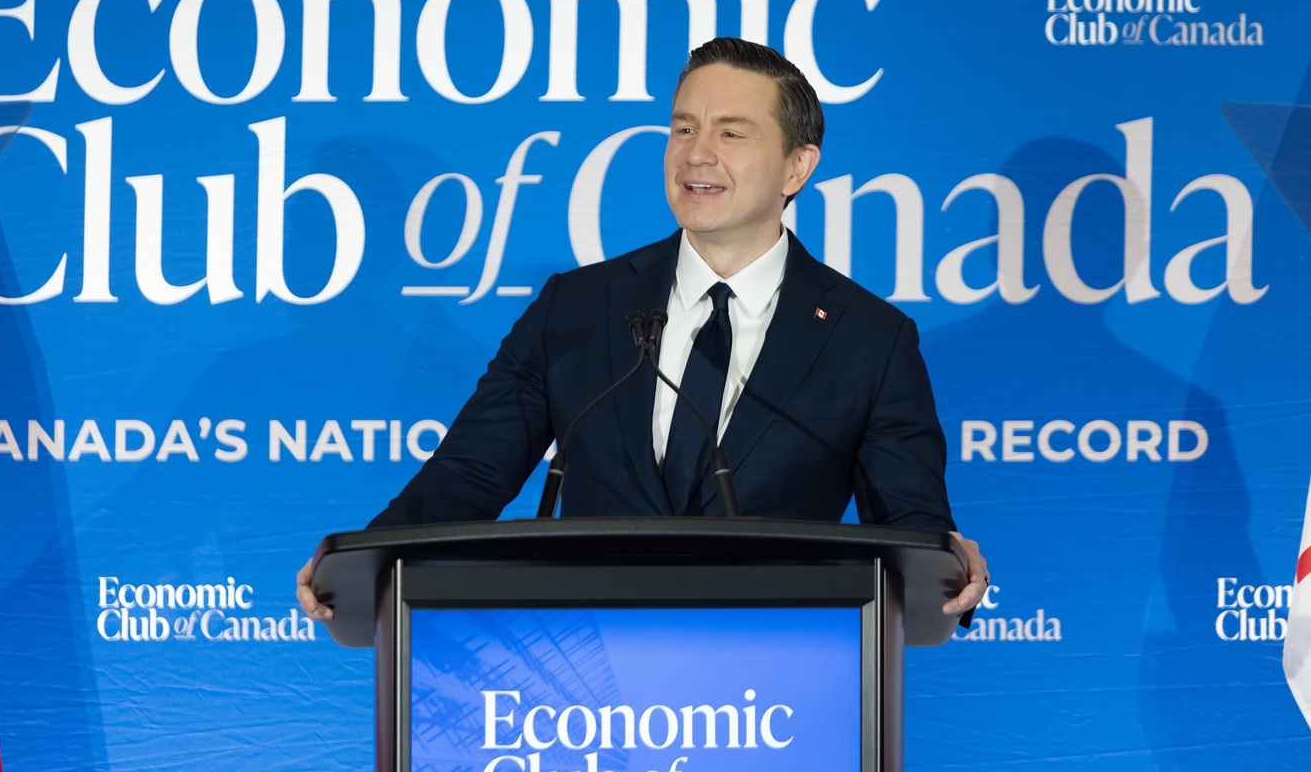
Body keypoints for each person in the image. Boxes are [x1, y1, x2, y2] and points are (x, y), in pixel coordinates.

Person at [298, 37, 986, 620]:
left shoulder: (869, 338)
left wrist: (943, 565)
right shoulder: (577, 307)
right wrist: (365, 562)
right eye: (683, 127)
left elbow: (909, 529)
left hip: (772, 685)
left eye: (730, 132)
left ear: (796, 166)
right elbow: (469, 473)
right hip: (586, 682)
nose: (695, 154)